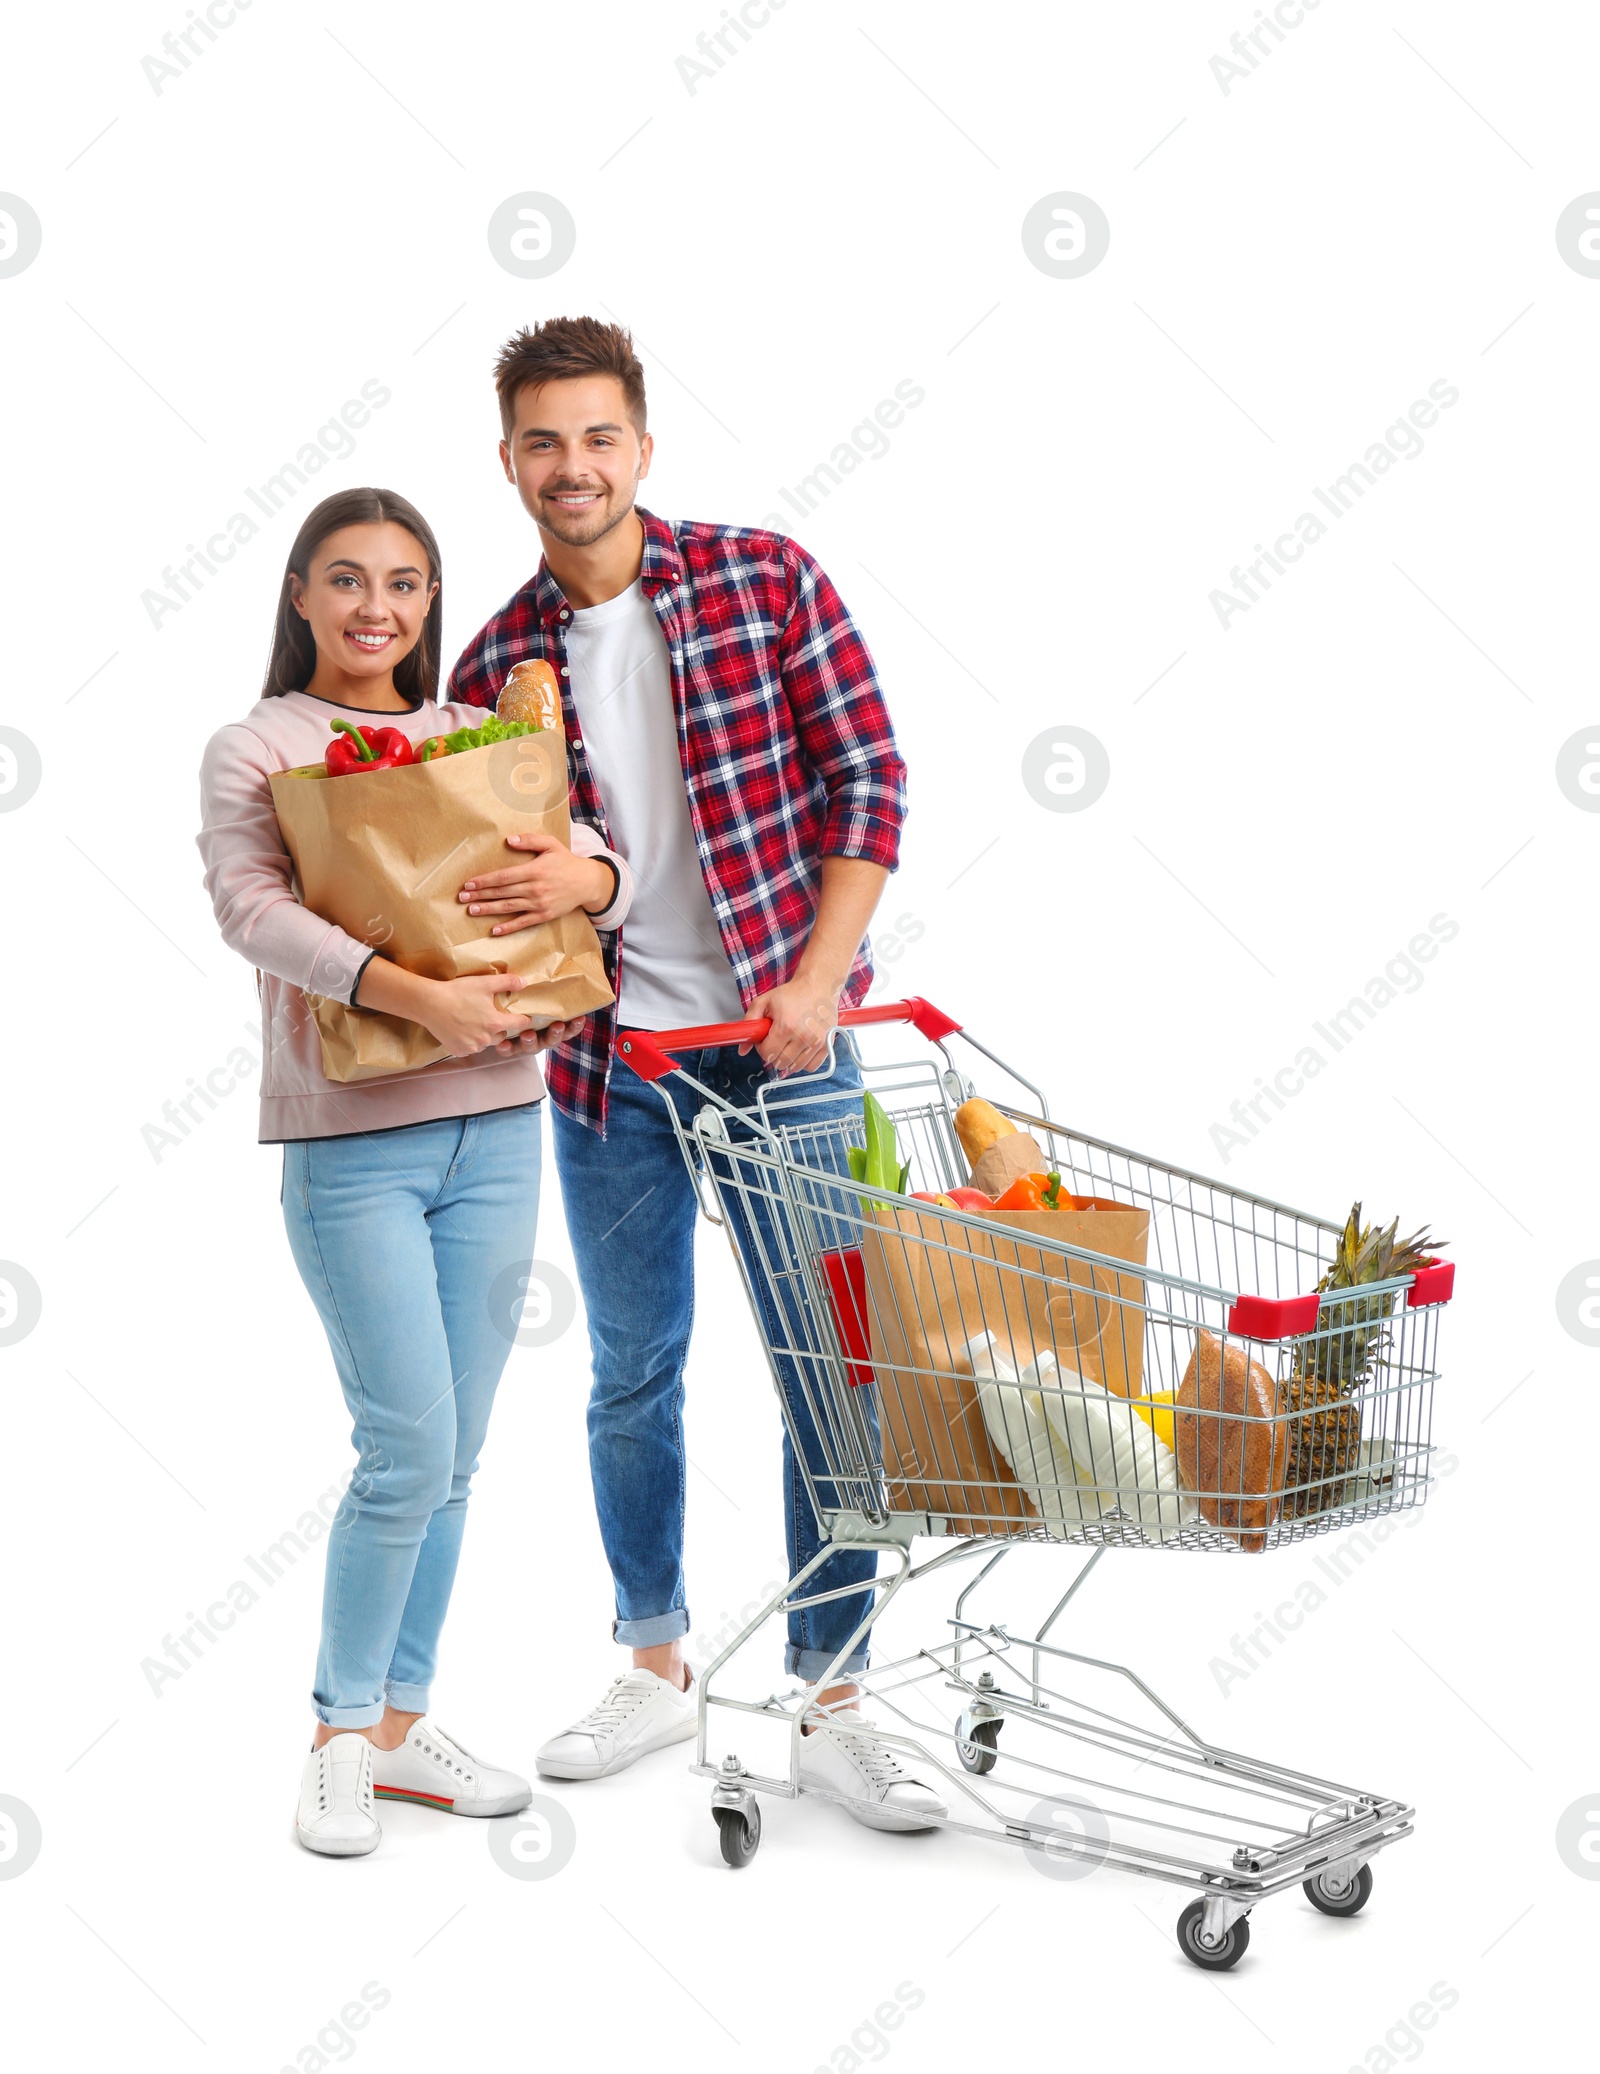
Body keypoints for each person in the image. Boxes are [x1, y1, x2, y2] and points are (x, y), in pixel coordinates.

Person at [446, 317, 946, 1828]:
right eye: (544, 441)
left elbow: (871, 776)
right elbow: (481, 889)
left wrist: (814, 984)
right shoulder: (490, 666)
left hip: (787, 1048)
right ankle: (656, 1664)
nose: (574, 465)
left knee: (836, 1367)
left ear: (642, 447)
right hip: (613, 1078)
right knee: (633, 1373)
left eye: (600, 436)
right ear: (511, 463)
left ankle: (832, 1689)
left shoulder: (763, 578)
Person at [196, 486, 632, 1856]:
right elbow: (250, 911)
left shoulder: (479, 737)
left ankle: (401, 1724)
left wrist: (591, 885)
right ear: (301, 596)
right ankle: (334, 1732)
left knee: (457, 1457)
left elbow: (601, 858)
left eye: (404, 583)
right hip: (352, 1141)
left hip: (502, 1124)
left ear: (431, 602)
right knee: (407, 1447)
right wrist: (417, 995)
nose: (377, 608)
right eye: (347, 580)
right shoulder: (259, 745)